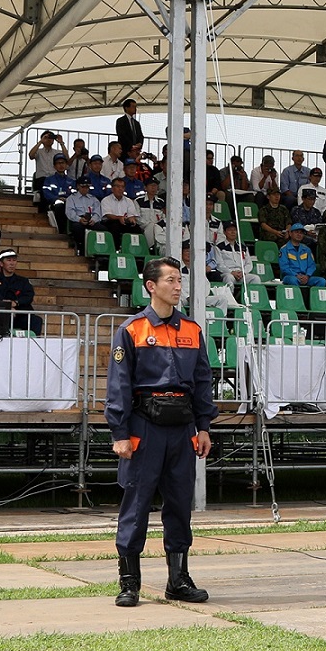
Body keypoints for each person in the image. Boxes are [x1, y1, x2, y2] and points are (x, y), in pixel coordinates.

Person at [106, 257, 215, 607]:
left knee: (180, 504)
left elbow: (202, 382)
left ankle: (178, 580)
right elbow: (118, 385)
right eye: (171, 280)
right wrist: (119, 433)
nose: (178, 286)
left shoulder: (192, 331)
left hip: (182, 429)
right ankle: (129, 582)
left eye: (180, 280)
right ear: (151, 286)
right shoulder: (132, 329)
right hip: (144, 427)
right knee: (136, 504)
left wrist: (203, 427)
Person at [277, 224, 320, 288]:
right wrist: (296, 275)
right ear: (290, 234)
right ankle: (299, 297)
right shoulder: (284, 249)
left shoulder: (306, 249)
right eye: (296, 232)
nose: (299, 234)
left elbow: (312, 265)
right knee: (293, 280)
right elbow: (284, 267)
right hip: (291, 276)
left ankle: (312, 298)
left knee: (321, 281)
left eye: (301, 233)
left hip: (305, 277)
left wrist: (307, 276)